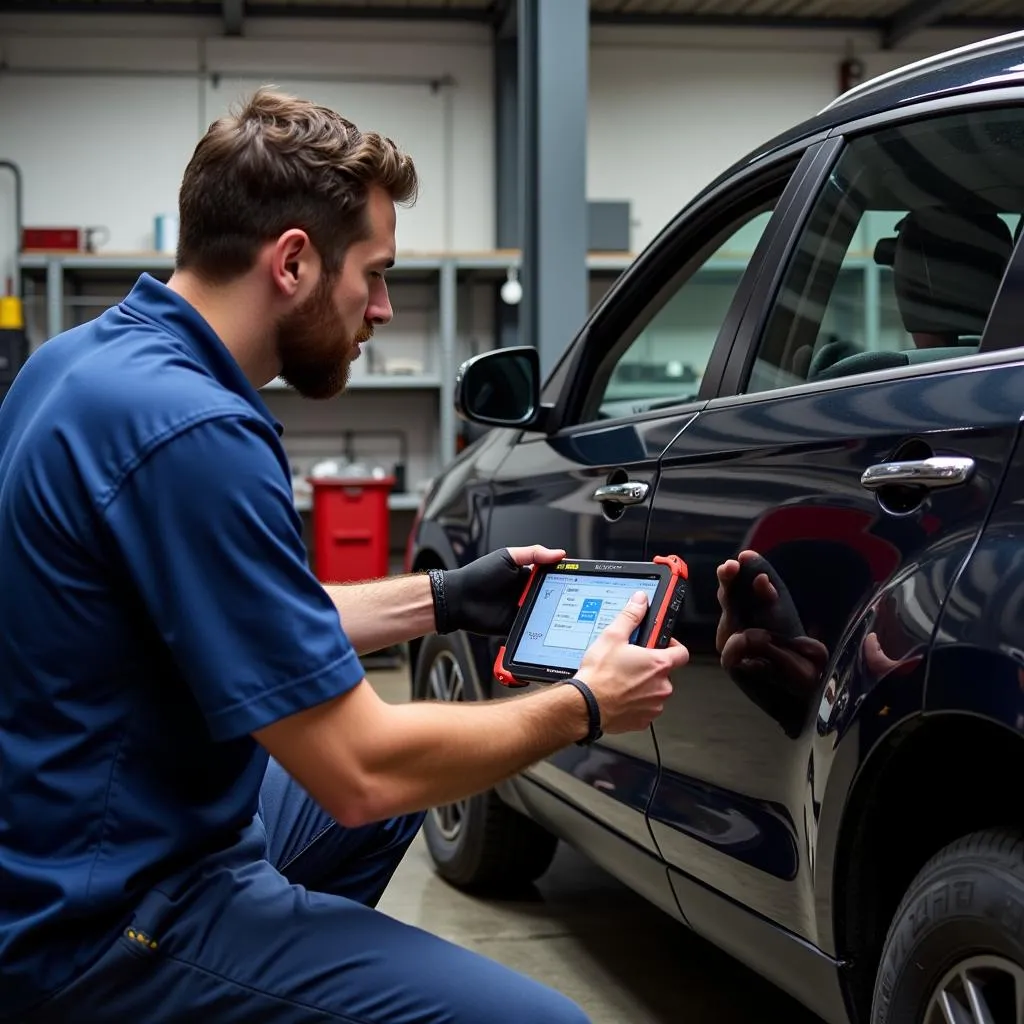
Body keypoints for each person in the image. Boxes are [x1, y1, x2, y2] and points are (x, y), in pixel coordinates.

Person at [0, 89, 689, 1023]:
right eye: (373, 274)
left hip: (79, 840)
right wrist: (584, 704)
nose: (382, 309)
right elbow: (360, 771)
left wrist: (444, 598)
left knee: (421, 760)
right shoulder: (195, 433)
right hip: (107, 919)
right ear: (292, 262)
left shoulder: (78, 364)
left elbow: (249, 618)